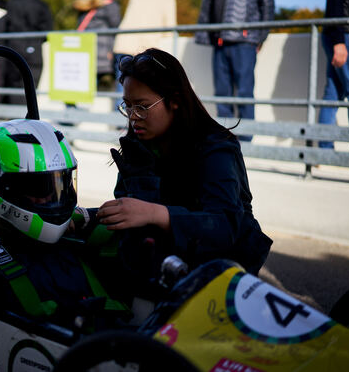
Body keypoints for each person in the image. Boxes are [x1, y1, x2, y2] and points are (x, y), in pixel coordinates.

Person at [77, 48, 272, 303]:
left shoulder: (216, 147)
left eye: (143, 106)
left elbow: (225, 227)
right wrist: (84, 217)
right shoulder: (137, 145)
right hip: (160, 266)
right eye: (128, 106)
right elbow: (129, 212)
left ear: (175, 100)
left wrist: (154, 213)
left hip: (221, 277)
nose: (134, 116)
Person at [0, 119, 127, 327]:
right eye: (39, 188)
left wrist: (137, 185)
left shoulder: (77, 237)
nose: (52, 198)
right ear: (2, 188)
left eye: (60, 184)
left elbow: (137, 258)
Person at [195, 0, 274, 142]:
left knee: (244, 92)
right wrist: (208, 34)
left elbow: (267, 4)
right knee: (222, 94)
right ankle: (225, 138)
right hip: (220, 41)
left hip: (245, 41)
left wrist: (260, 36)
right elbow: (208, 4)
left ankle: (245, 141)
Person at [112, 0, 176, 109]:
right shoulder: (168, 0)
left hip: (124, 42)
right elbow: (170, 28)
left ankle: (120, 122)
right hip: (146, 46)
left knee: (123, 90)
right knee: (144, 93)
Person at [318, 0, 349, 152]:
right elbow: (335, 2)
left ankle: (324, 150)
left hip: (345, 34)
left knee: (333, 93)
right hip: (347, 35)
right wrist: (339, 41)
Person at [1, 0, 53, 105]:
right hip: (34, 49)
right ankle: (26, 116)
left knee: (14, 84)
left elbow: (6, 25)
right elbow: (48, 29)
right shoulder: (41, 5)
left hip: (14, 48)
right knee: (31, 86)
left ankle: (15, 116)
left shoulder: (12, 3)